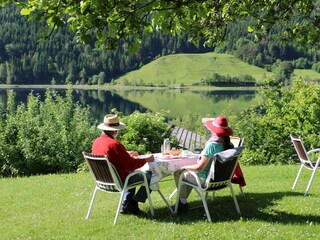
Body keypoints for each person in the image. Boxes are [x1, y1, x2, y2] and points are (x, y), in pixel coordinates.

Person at [92, 114, 154, 215]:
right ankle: (133, 203)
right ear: (116, 130)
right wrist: (147, 159)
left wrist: (126, 153)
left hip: (103, 181)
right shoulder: (114, 144)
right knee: (151, 176)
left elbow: (109, 155)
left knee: (131, 174)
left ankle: (125, 204)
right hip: (119, 181)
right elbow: (131, 165)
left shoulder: (97, 142)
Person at [173, 115, 234, 212]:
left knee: (178, 172)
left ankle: (182, 203)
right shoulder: (226, 144)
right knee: (186, 175)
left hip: (204, 179)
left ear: (213, 130)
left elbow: (199, 167)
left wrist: (185, 167)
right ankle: (182, 202)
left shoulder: (212, 145)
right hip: (221, 180)